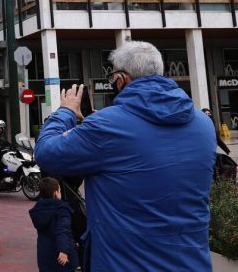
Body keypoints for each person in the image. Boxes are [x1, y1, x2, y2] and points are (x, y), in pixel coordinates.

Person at [35, 41, 215, 271]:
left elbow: (46, 153)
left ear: (121, 79)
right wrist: (97, 123)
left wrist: (66, 112)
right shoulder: (203, 124)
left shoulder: (106, 127)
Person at [29, 177, 78, 272]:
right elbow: (63, 230)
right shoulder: (61, 210)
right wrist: (64, 250)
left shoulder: (38, 209)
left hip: (44, 256)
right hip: (60, 256)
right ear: (56, 193)